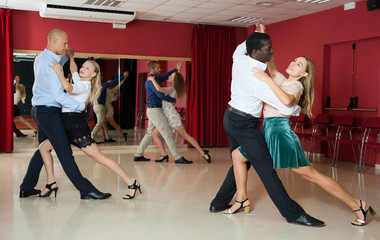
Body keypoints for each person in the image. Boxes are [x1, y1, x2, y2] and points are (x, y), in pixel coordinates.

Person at [225, 24, 376, 226]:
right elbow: (271, 64)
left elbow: (287, 100)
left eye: (299, 65)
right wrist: (261, 35)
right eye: (295, 60)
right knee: (237, 156)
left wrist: (266, 80)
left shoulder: (296, 87)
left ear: (304, 75)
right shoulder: (280, 78)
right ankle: (242, 198)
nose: (294, 63)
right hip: (268, 132)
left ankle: (358, 204)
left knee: (310, 176)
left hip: (280, 134)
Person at [209, 25, 324, 227]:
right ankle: (293, 214)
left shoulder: (240, 58)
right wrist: (298, 107)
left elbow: (241, 48)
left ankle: (219, 202)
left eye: (271, 47)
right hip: (244, 125)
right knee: (267, 170)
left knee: (240, 160)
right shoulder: (258, 80)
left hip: (231, 118)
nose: (272, 52)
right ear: (256, 52)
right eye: (267, 49)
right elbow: (286, 106)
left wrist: (257, 36)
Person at [19, 28, 111, 200]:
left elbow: (56, 64)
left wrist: (68, 56)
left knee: (43, 149)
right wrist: (79, 106)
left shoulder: (41, 57)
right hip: (49, 111)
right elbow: (58, 95)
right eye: (65, 43)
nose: (67, 45)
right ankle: (85, 189)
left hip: (39, 109)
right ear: (54, 41)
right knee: (64, 152)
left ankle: (27, 187)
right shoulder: (51, 65)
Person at [36, 52, 140, 200]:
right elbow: (73, 70)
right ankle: (51, 182)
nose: (82, 69)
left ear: (94, 74)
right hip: (65, 123)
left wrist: (58, 71)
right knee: (43, 147)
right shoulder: (80, 80)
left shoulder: (85, 85)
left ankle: (132, 182)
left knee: (100, 158)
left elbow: (67, 86)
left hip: (74, 125)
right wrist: (71, 58)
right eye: (83, 66)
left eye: (87, 68)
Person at [134, 61, 192, 164]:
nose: (160, 70)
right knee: (167, 133)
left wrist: (176, 69)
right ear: (152, 69)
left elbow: (166, 76)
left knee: (149, 134)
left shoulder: (156, 79)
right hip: (155, 110)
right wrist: (173, 100)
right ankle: (177, 157)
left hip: (154, 109)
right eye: (158, 68)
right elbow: (160, 95)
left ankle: (138, 155)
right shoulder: (151, 81)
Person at [147, 71, 211, 163]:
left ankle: (203, 153)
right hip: (166, 116)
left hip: (172, 117)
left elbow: (159, 90)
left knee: (186, 136)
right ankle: (164, 154)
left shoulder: (172, 89)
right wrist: (178, 70)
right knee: (154, 134)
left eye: (171, 76)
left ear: (174, 80)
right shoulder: (172, 88)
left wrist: (152, 80)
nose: (168, 76)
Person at [91, 72, 128, 143]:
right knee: (103, 123)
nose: (108, 83)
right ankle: (100, 137)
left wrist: (124, 77)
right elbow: (116, 83)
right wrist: (124, 76)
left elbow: (117, 84)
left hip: (104, 108)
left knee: (102, 123)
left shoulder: (103, 88)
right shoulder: (103, 87)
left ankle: (104, 137)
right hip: (102, 107)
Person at [104, 71, 129, 141]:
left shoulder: (112, 90)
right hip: (107, 109)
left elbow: (120, 84)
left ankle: (105, 137)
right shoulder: (105, 90)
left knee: (101, 124)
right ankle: (123, 135)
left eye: (109, 82)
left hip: (108, 110)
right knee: (114, 124)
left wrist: (125, 77)